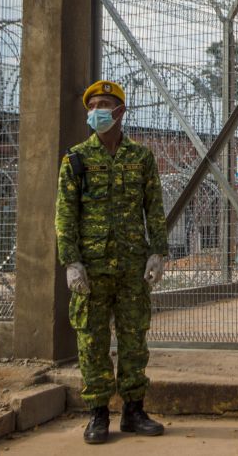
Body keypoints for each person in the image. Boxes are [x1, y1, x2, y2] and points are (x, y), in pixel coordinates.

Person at [55, 80, 168, 445]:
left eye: (104, 104)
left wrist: (158, 251)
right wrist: (71, 261)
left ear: (120, 112)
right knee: (92, 341)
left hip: (132, 265)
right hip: (93, 269)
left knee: (135, 340)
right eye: (93, 106)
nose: (97, 111)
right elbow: (65, 215)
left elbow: (154, 207)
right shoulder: (76, 159)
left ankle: (134, 411)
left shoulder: (141, 157)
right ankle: (98, 414)